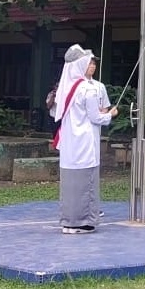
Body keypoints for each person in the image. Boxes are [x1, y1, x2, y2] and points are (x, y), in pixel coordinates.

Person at [54, 44, 118, 234]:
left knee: (70, 183)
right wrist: (111, 115)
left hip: (69, 144)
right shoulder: (87, 90)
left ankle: (69, 221)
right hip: (85, 143)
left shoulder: (66, 88)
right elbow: (97, 117)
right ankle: (84, 222)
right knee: (86, 181)